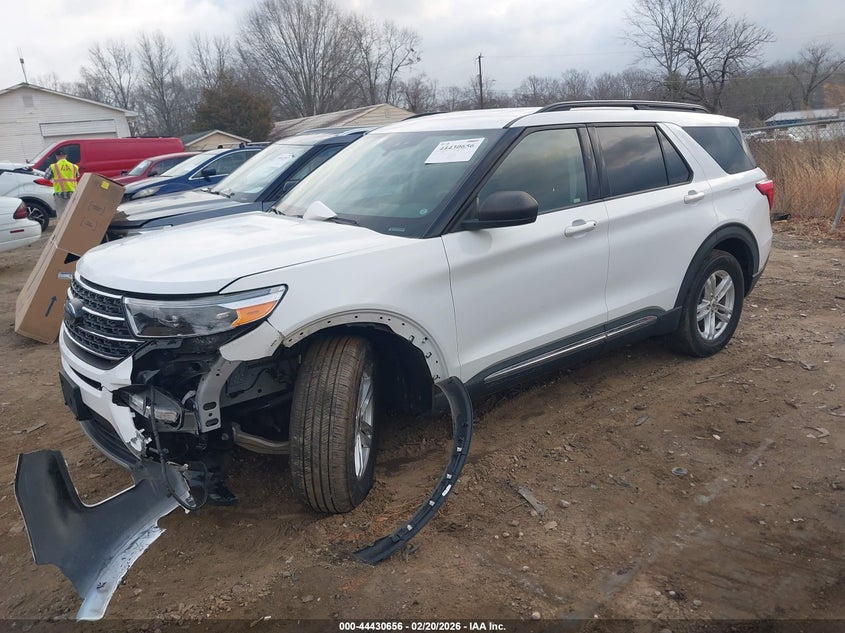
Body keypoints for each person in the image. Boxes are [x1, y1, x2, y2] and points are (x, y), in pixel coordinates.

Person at [46, 148, 80, 216]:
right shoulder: (74, 166)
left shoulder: (53, 166)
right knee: (73, 212)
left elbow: (46, 177)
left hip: (60, 193)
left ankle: (63, 226)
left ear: (56, 156)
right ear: (65, 156)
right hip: (73, 192)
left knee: (61, 213)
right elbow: (77, 176)